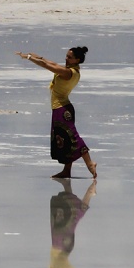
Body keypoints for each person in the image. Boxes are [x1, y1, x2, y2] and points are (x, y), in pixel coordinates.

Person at [16, 46, 97, 178]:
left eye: (69, 57)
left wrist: (30, 58)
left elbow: (48, 66)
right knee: (66, 141)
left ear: (77, 60)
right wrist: (38, 57)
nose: (66, 58)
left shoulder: (69, 73)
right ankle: (67, 170)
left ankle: (90, 163)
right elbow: (51, 63)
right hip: (61, 107)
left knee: (73, 138)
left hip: (62, 109)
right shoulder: (71, 70)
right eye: (66, 55)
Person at [21, 178, 96, 268]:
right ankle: (89, 192)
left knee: (71, 218)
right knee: (70, 218)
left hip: (63, 247)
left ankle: (69, 186)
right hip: (61, 245)